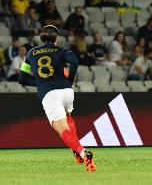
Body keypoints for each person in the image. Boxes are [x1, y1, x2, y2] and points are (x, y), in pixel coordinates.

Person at [18, 25, 96, 172]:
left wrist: (40, 83)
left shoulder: (31, 53)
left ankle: (83, 153)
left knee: (63, 131)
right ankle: (77, 152)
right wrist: (69, 81)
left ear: (41, 38)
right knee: (68, 119)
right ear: (56, 38)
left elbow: (22, 78)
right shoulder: (61, 51)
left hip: (50, 94)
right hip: (67, 91)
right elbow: (74, 61)